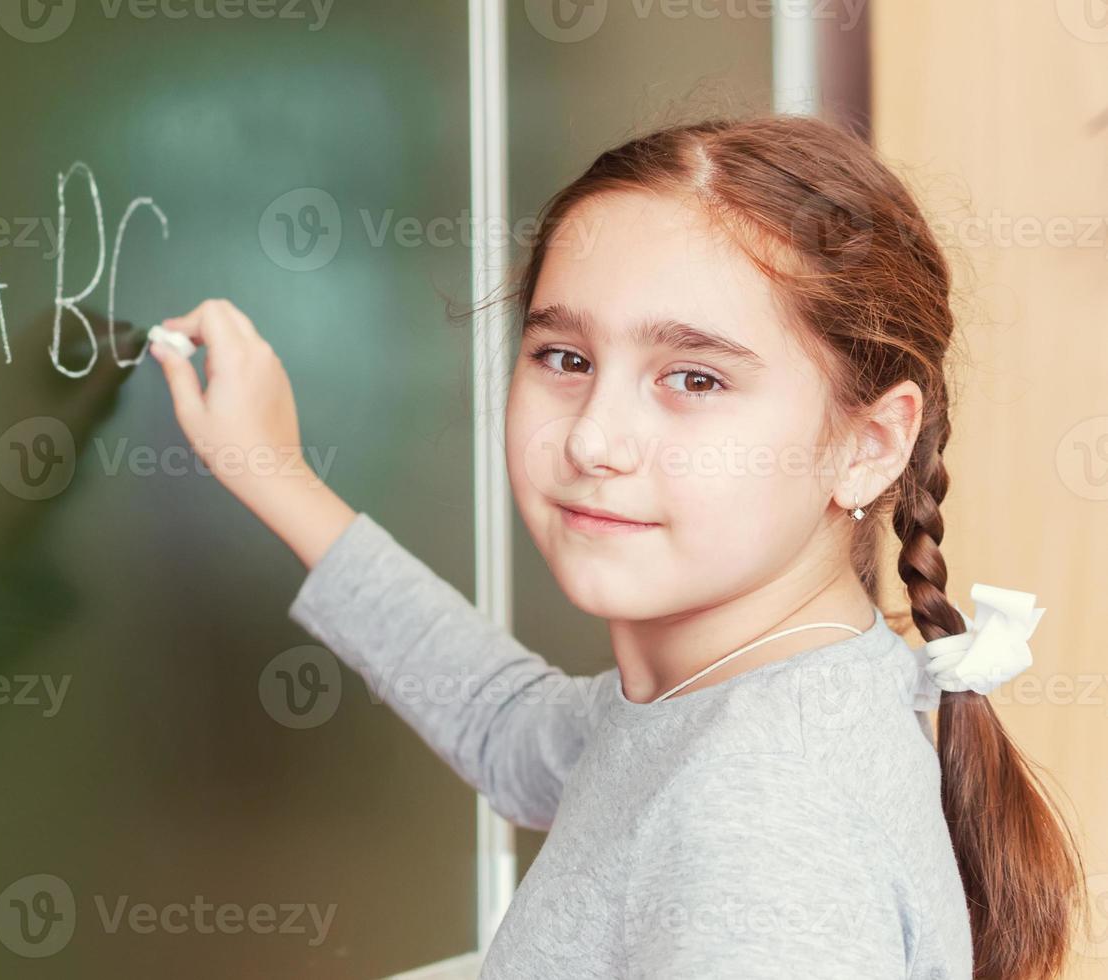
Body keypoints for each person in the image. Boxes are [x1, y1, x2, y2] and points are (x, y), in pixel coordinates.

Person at [149, 114, 1086, 978]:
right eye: (566, 359)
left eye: (693, 377)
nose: (594, 440)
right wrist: (275, 474)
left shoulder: (763, 809)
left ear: (867, 445)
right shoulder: (746, 694)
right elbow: (516, 731)